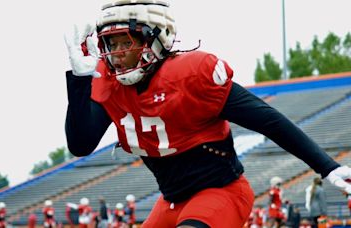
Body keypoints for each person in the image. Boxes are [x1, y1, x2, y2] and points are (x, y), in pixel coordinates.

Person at [63, 0, 351, 227]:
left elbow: (269, 120)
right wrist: (79, 80)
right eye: (112, 44)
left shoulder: (190, 76)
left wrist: (328, 166)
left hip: (220, 193)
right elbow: (81, 144)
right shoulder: (111, 84)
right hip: (170, 203)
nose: (118, 53)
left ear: (155, 38)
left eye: (126, 42)